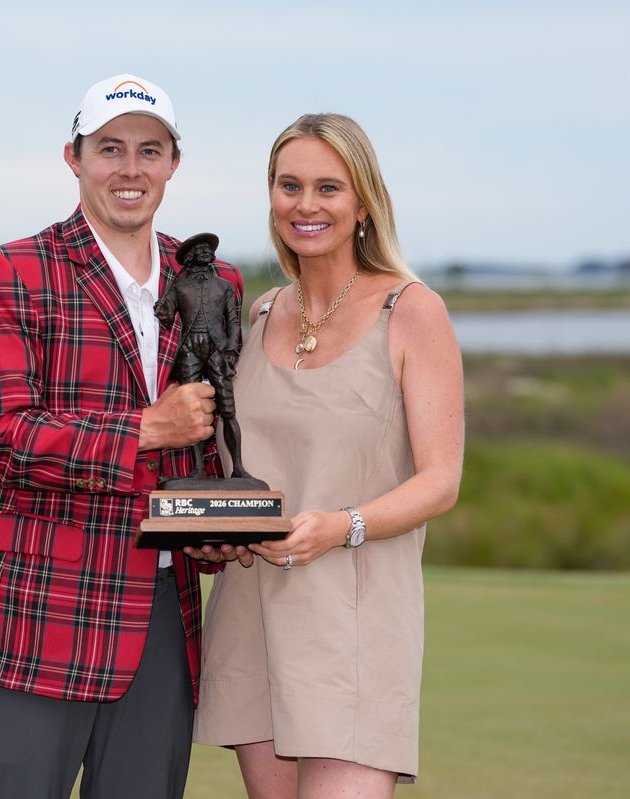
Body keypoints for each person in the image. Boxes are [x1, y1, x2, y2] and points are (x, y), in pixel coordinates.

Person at [0, 73, 244, 799]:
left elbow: (211, 442)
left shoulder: (211, 278)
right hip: (39, 616)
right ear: (74, 157)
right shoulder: (12, 271)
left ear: (173, 164)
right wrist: (145, 428)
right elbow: (1, 437)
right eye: (109, 148)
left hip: (161, 622)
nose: (130, 168)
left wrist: (215, 530)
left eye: (150, 151)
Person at [191, 113, 464, 797]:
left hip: (356, 626)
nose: (305, 205)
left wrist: (341, 524)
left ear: (364, 203)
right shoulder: (256, 315)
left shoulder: (411, 310)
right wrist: (211, 532)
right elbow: (237, 469)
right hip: (253, 613)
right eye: (290, 186)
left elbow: (441, 480)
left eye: (328, 188)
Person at [153, 233, 250, 481]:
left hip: (217, 348)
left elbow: (233, 322)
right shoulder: (179, 285)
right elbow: (165, 316)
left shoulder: (225, 286)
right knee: (193, 407)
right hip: (189, 349)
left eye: (209, 248)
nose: (206, 252)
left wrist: (230, 349)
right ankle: (198, 468)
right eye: (201, 249)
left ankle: (238, 467)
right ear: (191, 256)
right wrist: (161, 310)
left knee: (228, 408)